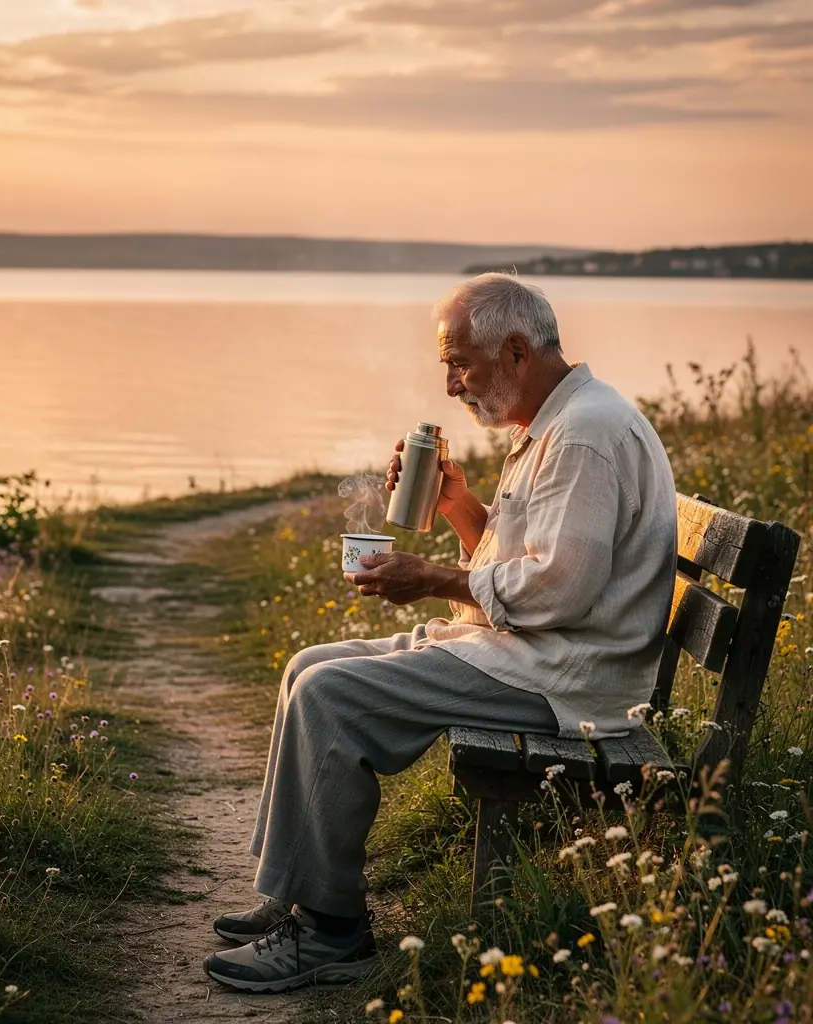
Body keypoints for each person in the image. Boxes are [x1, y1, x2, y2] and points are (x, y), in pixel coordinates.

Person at [202, 273, 677, 993]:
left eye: (459, 362)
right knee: (309, 666)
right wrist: (458, 506)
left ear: (516, 349)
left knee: (332, 696)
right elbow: (529, 562)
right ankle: (297, 891)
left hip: (567, 680)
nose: (452, 384)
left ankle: (331, 931)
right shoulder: (556, 421)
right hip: (535, 654)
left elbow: (558, 590)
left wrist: (430, 577)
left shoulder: (584, 435)